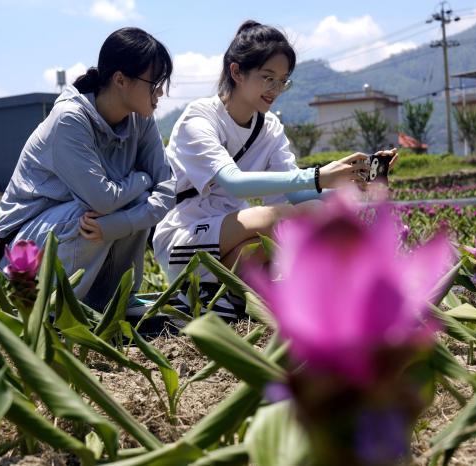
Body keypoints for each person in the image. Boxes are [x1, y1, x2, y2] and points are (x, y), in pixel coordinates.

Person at [152, 20, 397, 318]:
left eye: (282, 80)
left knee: (313, 214)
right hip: (184, 237)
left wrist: (353, 185)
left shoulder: (269, 128)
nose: (275, 89)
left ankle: (221, 297)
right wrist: (320, 175)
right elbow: (234, 183)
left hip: (234, 238)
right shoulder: (199, 120)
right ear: (237, 71)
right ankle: (210, 294)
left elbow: (296, 195)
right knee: (279, 217)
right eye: (268, 77)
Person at [0, 27, 175, 311]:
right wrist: (141, 178)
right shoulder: (70, 120)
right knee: (93, 212)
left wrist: (120, 222)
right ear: (120, 80)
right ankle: (59, 305)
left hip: (78, 222)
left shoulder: (142, 119)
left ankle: (113, 300)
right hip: (22, 245)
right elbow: (100, 200)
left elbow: (166, 189)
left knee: (135, 204)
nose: (160, 91)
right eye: (154, 82)